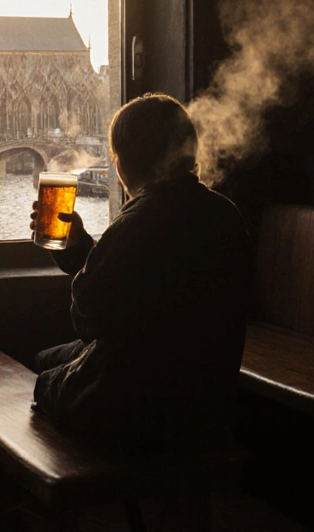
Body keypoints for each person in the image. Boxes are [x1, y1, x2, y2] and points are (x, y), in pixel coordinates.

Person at [29, 93, 252, 456]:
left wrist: (76, 251)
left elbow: (88, 318)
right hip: (206, 396)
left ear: (122, 164)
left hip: (139, 409)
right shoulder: (224, 213)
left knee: (42, 375)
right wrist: (83, 247)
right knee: (56, 360)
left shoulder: (139, 219)